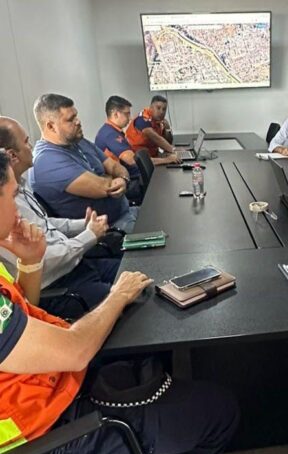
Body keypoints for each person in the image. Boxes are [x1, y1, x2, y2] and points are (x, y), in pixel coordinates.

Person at [0, 151, 239, 454]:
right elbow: (76, 352)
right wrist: (117, 294)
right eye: (10, 194)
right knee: (220, 412)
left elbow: (21, 322)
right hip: (40, 442)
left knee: (143, 339)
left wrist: (31, 262)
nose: (17, 206)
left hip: (49, 390)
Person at [0, 116, 119, 319]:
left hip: (77, 265)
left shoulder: (20, 185)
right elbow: (46, 263)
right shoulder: (6, 214)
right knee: (134, 302)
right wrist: (89, 235)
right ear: (12, 156)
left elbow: (45, 224)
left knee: (137, 272)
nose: (32, 146)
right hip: (61, 284)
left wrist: (83, 225)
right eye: (27, 142)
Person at [30, 93, 138, 233]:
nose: (78, 121)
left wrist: (122, 178)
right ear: (51, 126)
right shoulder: (46, 161)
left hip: (126, 211)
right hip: (111, 231)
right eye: (70, 119)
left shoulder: (78, 142)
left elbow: (114, 166)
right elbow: (105, 188)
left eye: (76, 115)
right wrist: (111, 179)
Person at [126, 95, 181, 164]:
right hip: (138, 159)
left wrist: (168, 129)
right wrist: (174, 150)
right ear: (151, 108)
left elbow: (168, 142)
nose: (161, 112)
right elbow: (156, 138)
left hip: (153, 156)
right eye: (158, 108)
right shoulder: (142, 119)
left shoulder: (159, 121)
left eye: (164, 109)